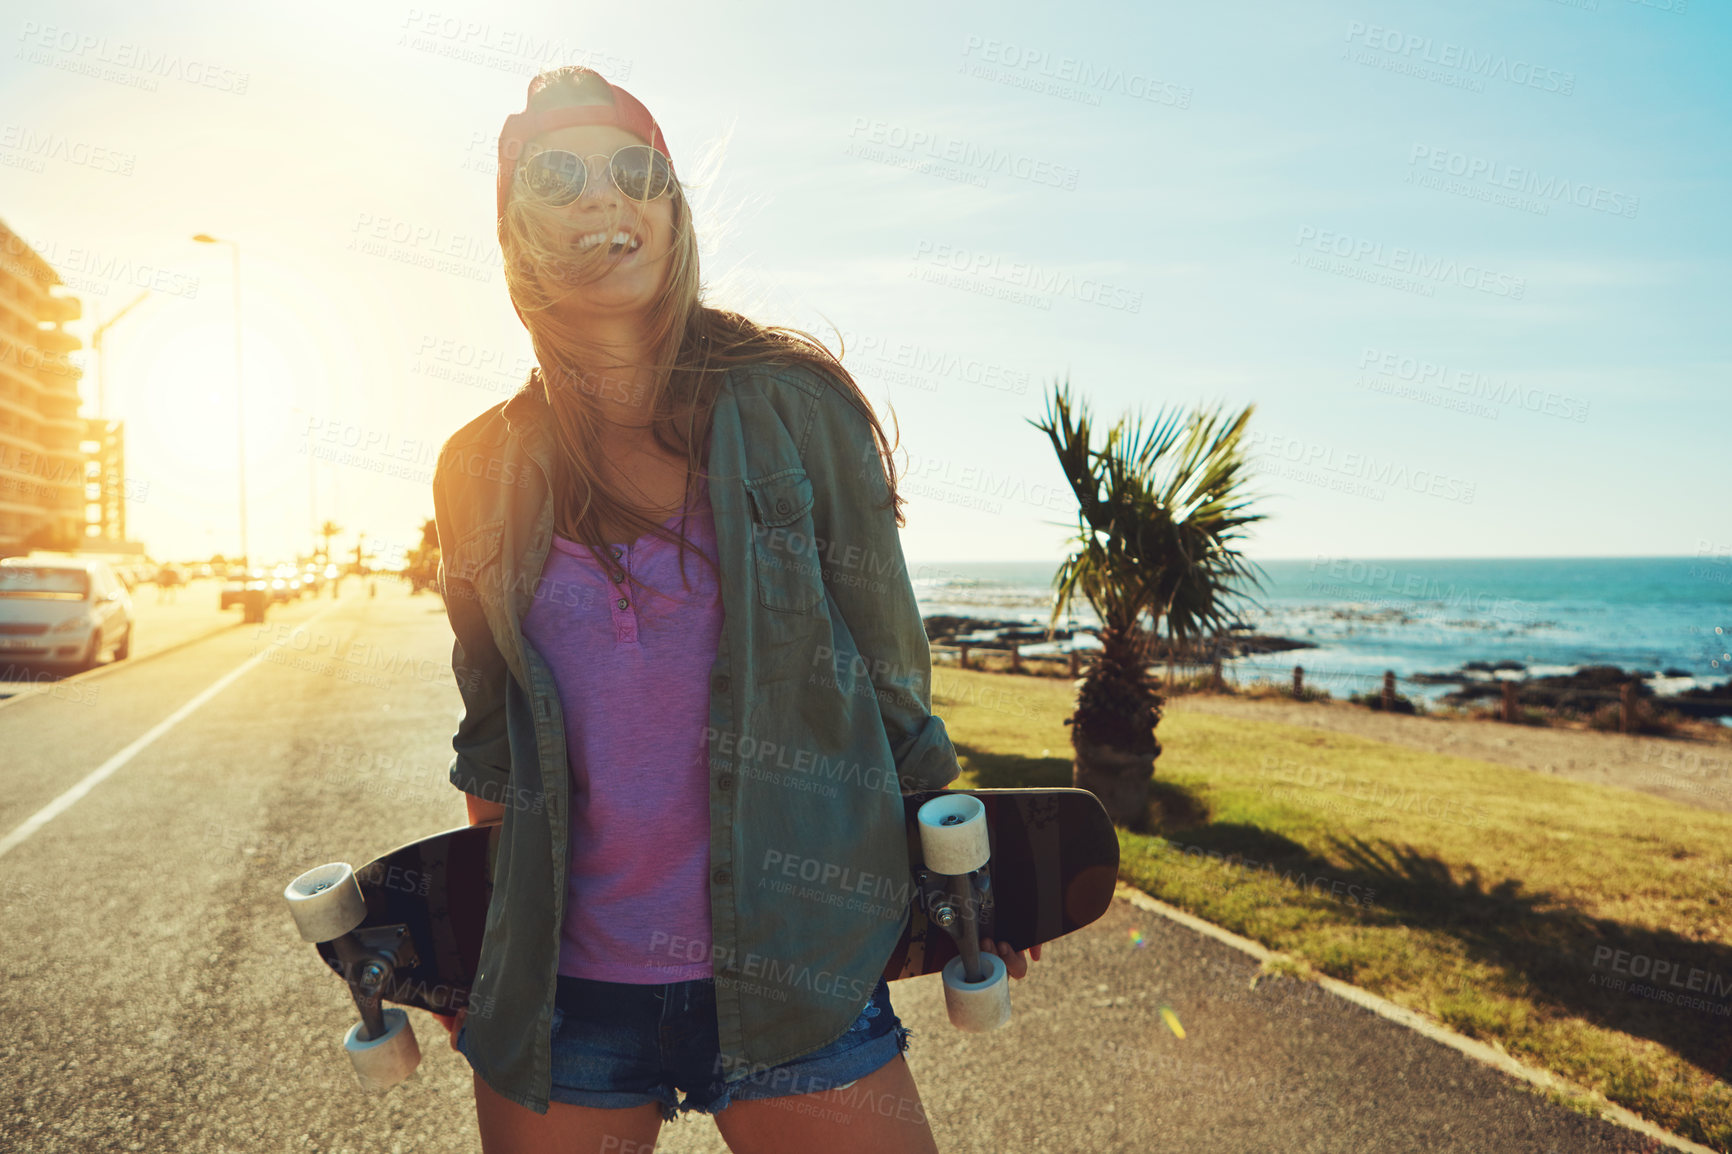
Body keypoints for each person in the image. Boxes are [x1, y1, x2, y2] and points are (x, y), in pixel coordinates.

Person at [430, 67, 1039, 1153]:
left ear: (670, 214)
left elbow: (893, 683)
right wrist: (476, 940)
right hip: (564, 990)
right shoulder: (479, 466)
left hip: (792, 975)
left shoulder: (796, 408)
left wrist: (959, 886)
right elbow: (494, 740)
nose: (601, 200)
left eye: (636, 175)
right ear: (514, 227)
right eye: (558, 175)